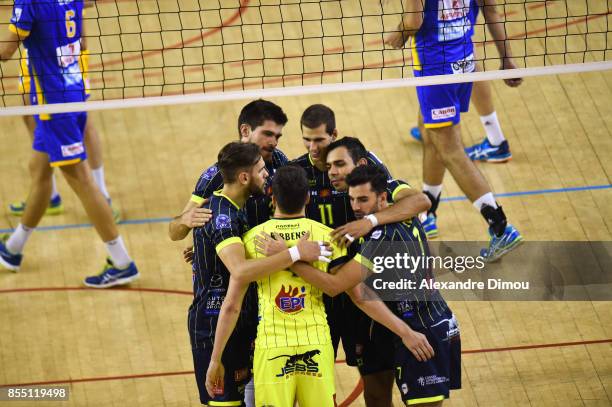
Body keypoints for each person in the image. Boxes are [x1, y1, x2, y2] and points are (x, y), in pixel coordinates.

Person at [205, 165, 433, 407]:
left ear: (272, 198)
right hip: (316, 343)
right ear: (307, 198)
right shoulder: (330, 237)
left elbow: (231, 307)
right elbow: (358, 295)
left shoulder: (252, 240)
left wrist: (215, 358)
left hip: (272, 346)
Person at [289, 165, 461, 406]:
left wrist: (291, 257)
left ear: (382, 197)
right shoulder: (399, 215)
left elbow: (336, 286)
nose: (356, 207)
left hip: (421, 329)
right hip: (420, 319)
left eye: (363, 199)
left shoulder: (383, 237)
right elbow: (361, 294)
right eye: (351, 200)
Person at [0, 0, 137, 287]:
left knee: (82, 181)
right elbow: (84, 42)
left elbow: (6, 51)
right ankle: (13, 248)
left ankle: (122, 261)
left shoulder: (29, 2)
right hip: (73, 91)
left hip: (54, 105)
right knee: (40, 172)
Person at [294, 121, 431, 407]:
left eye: (340, 164)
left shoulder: (383, 191)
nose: (333, 172)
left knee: (399, 393)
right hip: (341, 304)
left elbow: (420, 201)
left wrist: (368, 222)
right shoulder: (327, 191)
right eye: (330, 166)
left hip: (383, 305)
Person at [189, 143, 330, 406]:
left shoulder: (241, 218)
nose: (267, 175)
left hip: (245, 328)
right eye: (262, 170)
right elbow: (240, 271)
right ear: (244, 177)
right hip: (214, 324)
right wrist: (295, 254)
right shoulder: (224, 218)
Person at [384, 0, 523, 260]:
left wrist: (399, 34)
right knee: (430, 135)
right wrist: (507, 59)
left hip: (435, 67)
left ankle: (500, 226)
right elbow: (490, 9)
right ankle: (428, 211)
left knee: (450, 149)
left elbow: (414, 21)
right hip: (464, 62)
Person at [9, 1, 120, 221]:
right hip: (37, 39)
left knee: (83, 122)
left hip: (68, 44)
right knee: (30, 112)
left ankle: (102, 195)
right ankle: (48, 193)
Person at [168, 99, 289, 241]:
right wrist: (185, 221)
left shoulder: (278, 159)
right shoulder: (216, 176)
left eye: (277, 136)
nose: (274, 142)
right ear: (245, 130)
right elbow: (175, 234)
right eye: (268, 134)